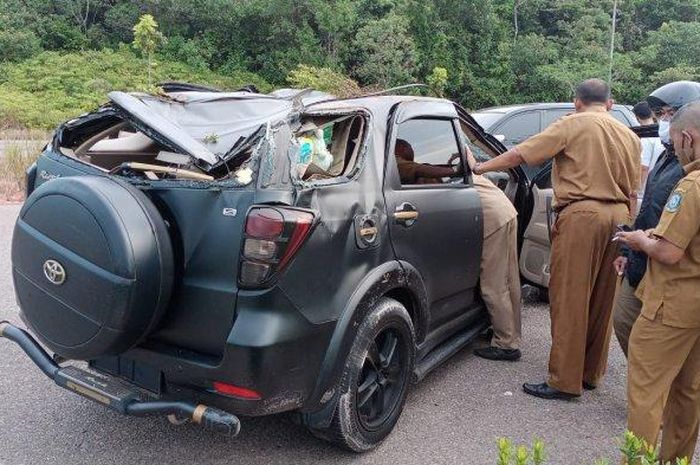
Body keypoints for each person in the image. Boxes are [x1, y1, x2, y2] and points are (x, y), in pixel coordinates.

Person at [467, 78, 640, 400]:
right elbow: (633, 190)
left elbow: (520, 155)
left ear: (576, 102)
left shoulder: (572, 124)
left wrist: (479, 167)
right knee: (602, 300)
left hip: (583, 216)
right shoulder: (629, 136)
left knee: (570, 299)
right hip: (620, 218)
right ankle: (590, 373)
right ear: (611, 104)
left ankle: (563, 380)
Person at [617, 102, 700, 463]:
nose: (676, 150)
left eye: (677, 142)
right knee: (688, 393)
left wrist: (639, 240)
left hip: (672, 303)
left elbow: (668, 253)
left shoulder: (692, 184)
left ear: (688, 137)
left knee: (646, 393)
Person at [612, 81, 700, 357]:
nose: (663, 119)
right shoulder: (667, 154)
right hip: (643, 257)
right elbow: (649, 204)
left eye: (669, 112)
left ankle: (652, 394)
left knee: (658, 350)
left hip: (670, 268)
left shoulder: (691, 172)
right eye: (660, 113)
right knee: (625, 322)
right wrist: (628, 249)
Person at [470, 156, 522, 361]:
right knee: (510, 279)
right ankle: (511, 334)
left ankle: (506, 344)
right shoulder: (458, 148)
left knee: (494, 282)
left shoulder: (421, 161)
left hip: (493, 215)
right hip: (504, 209)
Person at [394, 139, 460, 184]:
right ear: (402, 148)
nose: (412, 151)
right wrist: (455, 169)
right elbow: (417, 169)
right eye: (410, 147)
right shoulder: (396, 163)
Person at [632, 101, 664, 186]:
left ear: (637, 117)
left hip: (645, 188)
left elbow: (643, 167)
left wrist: (637, 189)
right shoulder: (662, 133)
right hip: (658, 181)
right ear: (652, 114)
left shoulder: (645, 137)